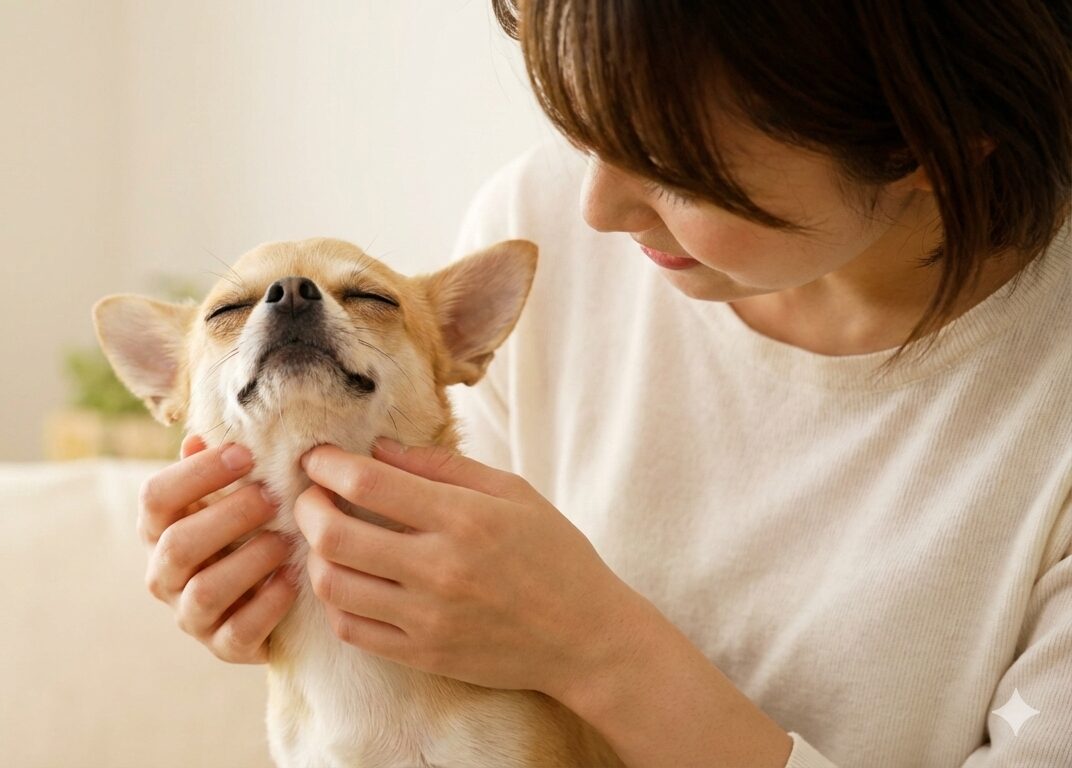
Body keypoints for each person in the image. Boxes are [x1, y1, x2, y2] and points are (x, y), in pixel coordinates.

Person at [136, 2, 1072, 765]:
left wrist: (600, 651)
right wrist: (282, 593)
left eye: (675, 165)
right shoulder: (536, 216)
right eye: (581, 125)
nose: (594, 207)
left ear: (927, 137)